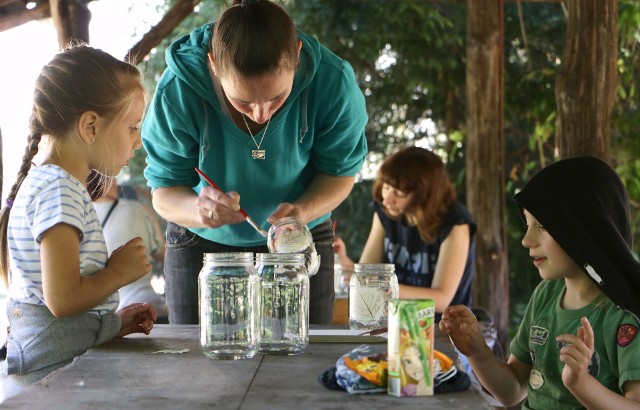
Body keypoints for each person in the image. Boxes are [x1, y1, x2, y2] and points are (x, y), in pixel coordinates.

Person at [141, 0, 368, 325]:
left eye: (277, 98)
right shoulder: (178, 91)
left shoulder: (334, 83)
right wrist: (201, 212)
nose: (262, 114)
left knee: (301, 358)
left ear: (298, 56)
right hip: (201, 242)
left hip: (299, 235)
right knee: (197, 364)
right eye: (243, 102)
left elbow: (340, 172)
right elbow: (164, 190)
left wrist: (302, 212)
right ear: (214, 65)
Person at [0, 44, 156, 400]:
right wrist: (118, 272)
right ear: (90, 126)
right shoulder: (60, 190)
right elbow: (62, 299)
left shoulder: (47, 183)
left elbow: (57, 307)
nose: (137, 141)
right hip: (54, 387)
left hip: (51, 377)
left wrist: (111, 324)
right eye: (131, 127)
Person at [440, 156, 640, 409]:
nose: (526, 240)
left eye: (543, 226)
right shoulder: (546, 294)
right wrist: (477, 351)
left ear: (585, 230)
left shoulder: (626, 315)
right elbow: (512, 390)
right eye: (527, 224)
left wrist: (582, 385)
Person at [333, 146, 476, 321]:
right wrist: (344, 263)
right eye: (386, 187)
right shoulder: (386, 212)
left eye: (398, 193)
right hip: (394, 320)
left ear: (424, 194)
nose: (387, 199)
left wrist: (381, 286)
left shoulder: (455, 223)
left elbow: (441, 299)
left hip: (444, 327)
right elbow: (367, 273)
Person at [88, 173, 168, 323]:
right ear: (110, 181)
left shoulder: (81, 216)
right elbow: (163, 254)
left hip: (104, 316)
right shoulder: (138, 209)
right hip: (144, 306)